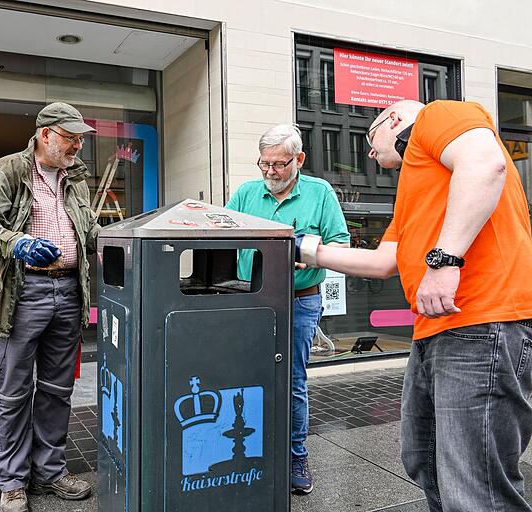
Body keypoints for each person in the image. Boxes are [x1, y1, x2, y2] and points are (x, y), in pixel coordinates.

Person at [299, 99, 532, 511]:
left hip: (482, 323)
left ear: (393, 119)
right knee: (424, 457)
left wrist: (445, 259)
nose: (370, 153)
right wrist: (306, 249)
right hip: (436, 333)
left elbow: (485, 164)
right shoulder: (414, 188)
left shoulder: (437, 116)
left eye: (370, 139)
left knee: (477, 486)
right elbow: (383, 261)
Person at [0, 102, 99, 512]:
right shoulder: (7, 171)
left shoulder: (75, 179)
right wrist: (17, 243)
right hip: (21, 293)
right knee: (14, 393)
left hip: (69, 292)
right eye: (70, 136)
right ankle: (13, 481)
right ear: (45, 134)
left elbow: (89, 227)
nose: (77, 145)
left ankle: (50, 471)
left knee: (57, 389)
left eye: (80, 138)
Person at [225, 124, 349, 495]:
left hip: (300, 299)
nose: (270, 173)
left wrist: (310, 252)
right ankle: (249, 453)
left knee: (292, 382)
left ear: (299, 160)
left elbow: (340, 243)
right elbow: (219, 232)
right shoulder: (247, 192)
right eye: (264, 164)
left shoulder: (319, 192)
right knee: (246, 376)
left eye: (279, 165)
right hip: (249, 300)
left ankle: (296, 456)